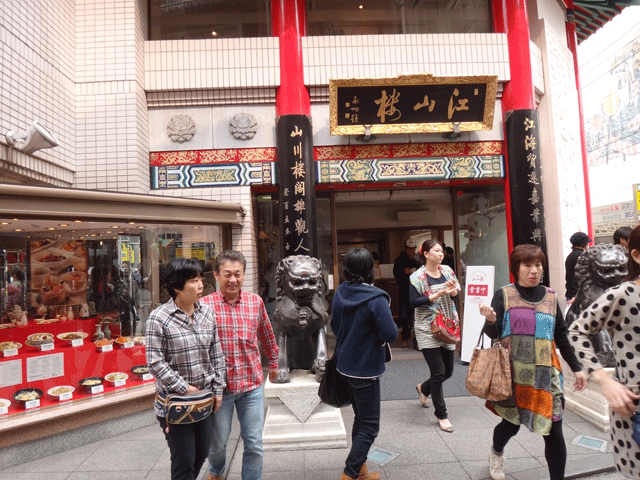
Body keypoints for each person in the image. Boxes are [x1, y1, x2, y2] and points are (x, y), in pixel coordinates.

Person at [478, 244, 587, 480]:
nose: (534, 270)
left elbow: (561, 336)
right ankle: (496, 452)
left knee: (554, 431)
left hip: (546, 376)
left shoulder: (551, 296)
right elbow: (491, 333)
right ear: (516, 268)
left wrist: (577, 368)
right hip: (513, 375)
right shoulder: (504, 294)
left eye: (538, 265)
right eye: (528, 265)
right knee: (511, 425)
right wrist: (490, 319)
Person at [568, 224, 640, 478]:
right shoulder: (622, 294)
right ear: (636, 255)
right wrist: (602, 379)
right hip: (633, 404)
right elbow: (577, 331)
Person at [145, 258, 226, 480]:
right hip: (176, 403)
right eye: (194, 280)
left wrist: (218, 390)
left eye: (201, 279)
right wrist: (183, 388)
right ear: (177, 286)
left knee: (201, 454)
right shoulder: (159, 318)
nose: (201, 285)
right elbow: (154, 361)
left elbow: (216, 354)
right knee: (183, 461)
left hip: (204, 399)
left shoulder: (207, 313)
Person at [202, 250, 279, 480]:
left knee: (254, 443)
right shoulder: (204, 306)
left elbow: (267, 334)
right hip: (219, 390)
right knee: (217, 443)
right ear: (217, 275)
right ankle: (216, 471)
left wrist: (273, 362)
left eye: (237, 274)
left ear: (244, 275)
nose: (232, 279)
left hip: (251, 385)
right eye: (227, 274)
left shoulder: (255, 302)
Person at [331, 248, 398, 480]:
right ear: (370, 270)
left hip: (344, 365)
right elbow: (391, 334)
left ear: (347, 269)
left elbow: (334, 326)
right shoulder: (377, 298)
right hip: (366, 369)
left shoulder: (341, 292)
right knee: (370, 426)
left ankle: (360, 470)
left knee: (360, 418)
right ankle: (349, 474)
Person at [410, 239, 460, 432]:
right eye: (437, 251)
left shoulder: (447, 271)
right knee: (438, 372)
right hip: (427, 327)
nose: (441, 254)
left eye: (442, 251)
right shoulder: (417, 277)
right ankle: (442, 414)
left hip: (447, 325)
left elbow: (456, 295)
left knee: (448, 371)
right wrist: (435, 296)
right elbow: (413, 302)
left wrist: (454, 291)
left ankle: (424, 388)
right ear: (426, 254)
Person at [393, 238, 421, 348]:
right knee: (404, 317)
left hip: (417, 292)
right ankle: (405, 337)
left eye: (412, 249)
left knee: (417, 317)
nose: (410, 251)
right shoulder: (399, 259)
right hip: (404, 292)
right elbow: (396, 273)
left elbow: (423, 271)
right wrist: (403, 272)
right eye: (408, 249)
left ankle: (417, 341)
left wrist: (414, 271)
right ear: (405, 249)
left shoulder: (418, 259)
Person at [565, 231, 591, 306]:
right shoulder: (582, 256)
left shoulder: (570, 256)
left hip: (570, 293)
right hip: (577, 295)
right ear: (584, 243)